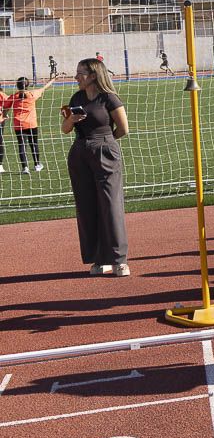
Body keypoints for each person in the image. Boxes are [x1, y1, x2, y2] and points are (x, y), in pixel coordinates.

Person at [61, 59, 130, 276]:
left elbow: (123, 129)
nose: (76, 77)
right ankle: (100, 259)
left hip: (105, 151)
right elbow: (65, 129)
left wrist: (105, 142)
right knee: (87, 206)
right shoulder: (76, 98)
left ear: (92, 75)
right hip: (80, 153)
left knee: (110, 205)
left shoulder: (109, 98)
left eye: (80, 73)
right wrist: (71, 119)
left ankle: (119, 260)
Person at [1, 75, 56, 173]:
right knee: (33, 144)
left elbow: (5, 107)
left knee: (22, 145)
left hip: (19, 125)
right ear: (27, 85)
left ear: (17, 86)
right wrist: (53, 79)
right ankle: (37, 165)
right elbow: (44, 87)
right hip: (31, 124)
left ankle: (25, 167)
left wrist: (5, 114)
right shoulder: (32, 94)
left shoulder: (13, 97)